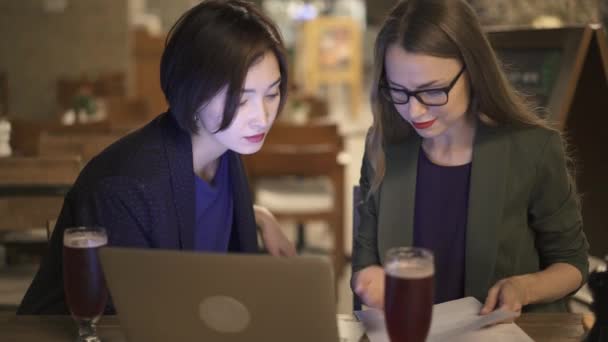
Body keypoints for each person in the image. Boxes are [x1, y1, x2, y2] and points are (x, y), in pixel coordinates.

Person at [19, 0, 295, 315]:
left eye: (272, 94)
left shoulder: (224, 149)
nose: (261, 117)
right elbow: (130, 319)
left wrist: (256, 215)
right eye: (239, 99)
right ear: (192, 88)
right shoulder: (126, 187)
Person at [352, 0, 589, 314]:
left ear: (474, 70)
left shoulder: (531, 149)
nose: (414, 110)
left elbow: (572, 264)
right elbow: (365, 261)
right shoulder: (383, 147)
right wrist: (368, 280)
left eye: (433, 90)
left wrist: (524, 288)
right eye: (398, 91)